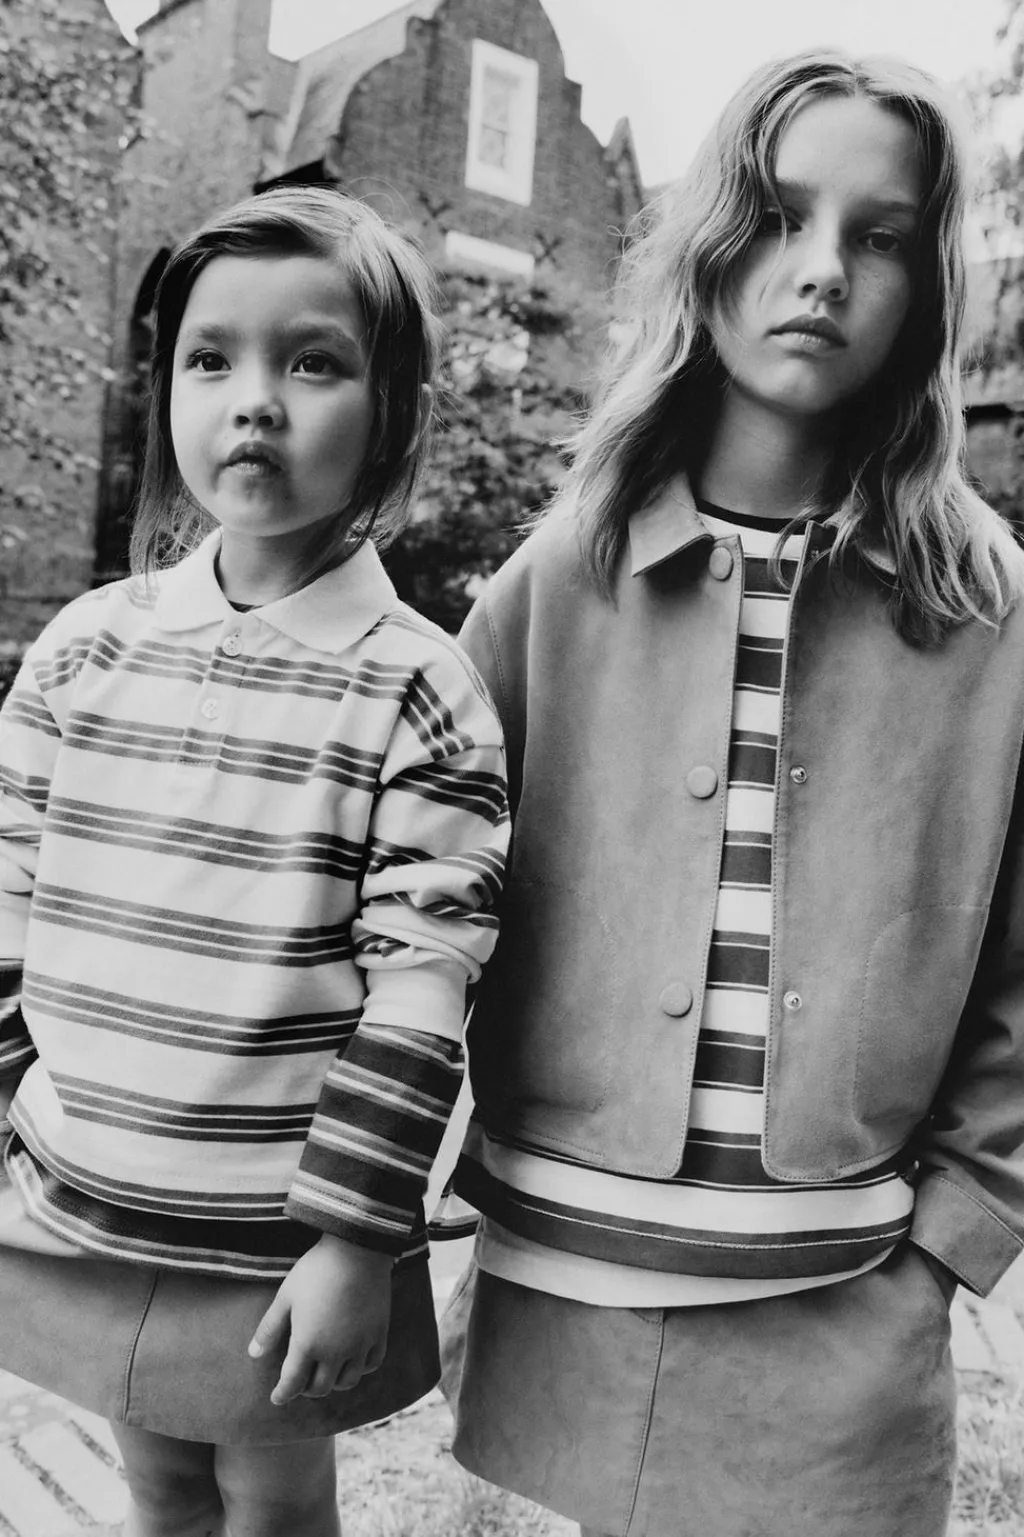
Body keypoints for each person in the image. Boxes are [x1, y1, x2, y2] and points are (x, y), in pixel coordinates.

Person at [439, 48, 1024, 1537]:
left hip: (847, 1297)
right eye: (777, 214)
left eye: (880, 236)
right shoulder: (551, 583)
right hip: (569, 1268)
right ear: (705, 246)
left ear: (928, 290)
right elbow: (423, 908)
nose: (821, 270)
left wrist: (953, 1238)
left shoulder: (990, 609)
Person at [0, 185, 508, 1537]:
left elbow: (423, 989)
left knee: (272, 1503)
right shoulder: (85, 651)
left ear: (392, 410)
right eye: (211, 359)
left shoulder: (420, 692)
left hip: (276, 1232)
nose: (255, 403)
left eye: (313, 362)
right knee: (160, 1486)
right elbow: (8, 901)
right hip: (81, 1196)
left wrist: (353, 1239)